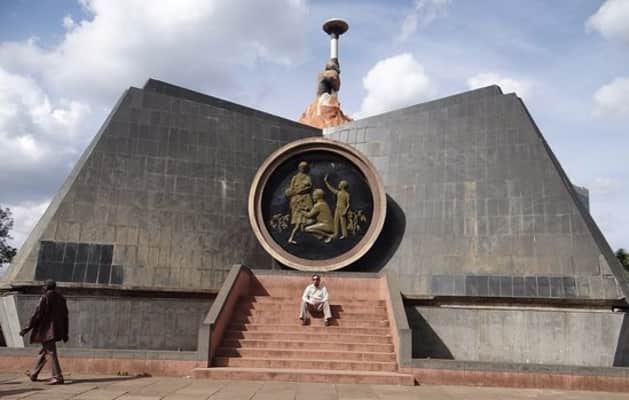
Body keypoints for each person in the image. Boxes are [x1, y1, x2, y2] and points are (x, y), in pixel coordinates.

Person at [19, 279, 68, 385]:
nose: (42, 288)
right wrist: (65, 332)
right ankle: (34, 373)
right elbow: (65, 317)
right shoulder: (62, 298)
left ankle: (58, 377)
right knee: (44, 351)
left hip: (46, 330)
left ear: (47, 287)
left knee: (51, 352)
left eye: (44, 286)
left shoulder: (45, 297)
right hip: (56, 330)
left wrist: (27, 328)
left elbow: (37, 315)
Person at [285, 161, 313, 244]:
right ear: (299, 168)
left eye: (304, 167)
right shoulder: (295, 178)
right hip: (297, 200)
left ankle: (305, 237)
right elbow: (291, 189)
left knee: (306, 219)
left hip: (306, 199)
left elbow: (310, 187)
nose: (303, 168)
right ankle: (296, 237)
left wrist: (303, 190)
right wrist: (294, 192)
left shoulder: (307, 177)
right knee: (299, 220)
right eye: (301, 167)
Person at [324, 174, 350, 239]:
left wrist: (345, 211)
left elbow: (348, 204)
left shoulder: (347, 194)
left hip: (342, 209)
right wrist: (326, 182)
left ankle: (345, 235)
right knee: (335, 221)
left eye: (339, 184)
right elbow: (331, 189)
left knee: (343, 222)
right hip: (337, 208)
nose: (338, 184)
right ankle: (336, 233)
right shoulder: (338, 193)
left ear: (342, 186)